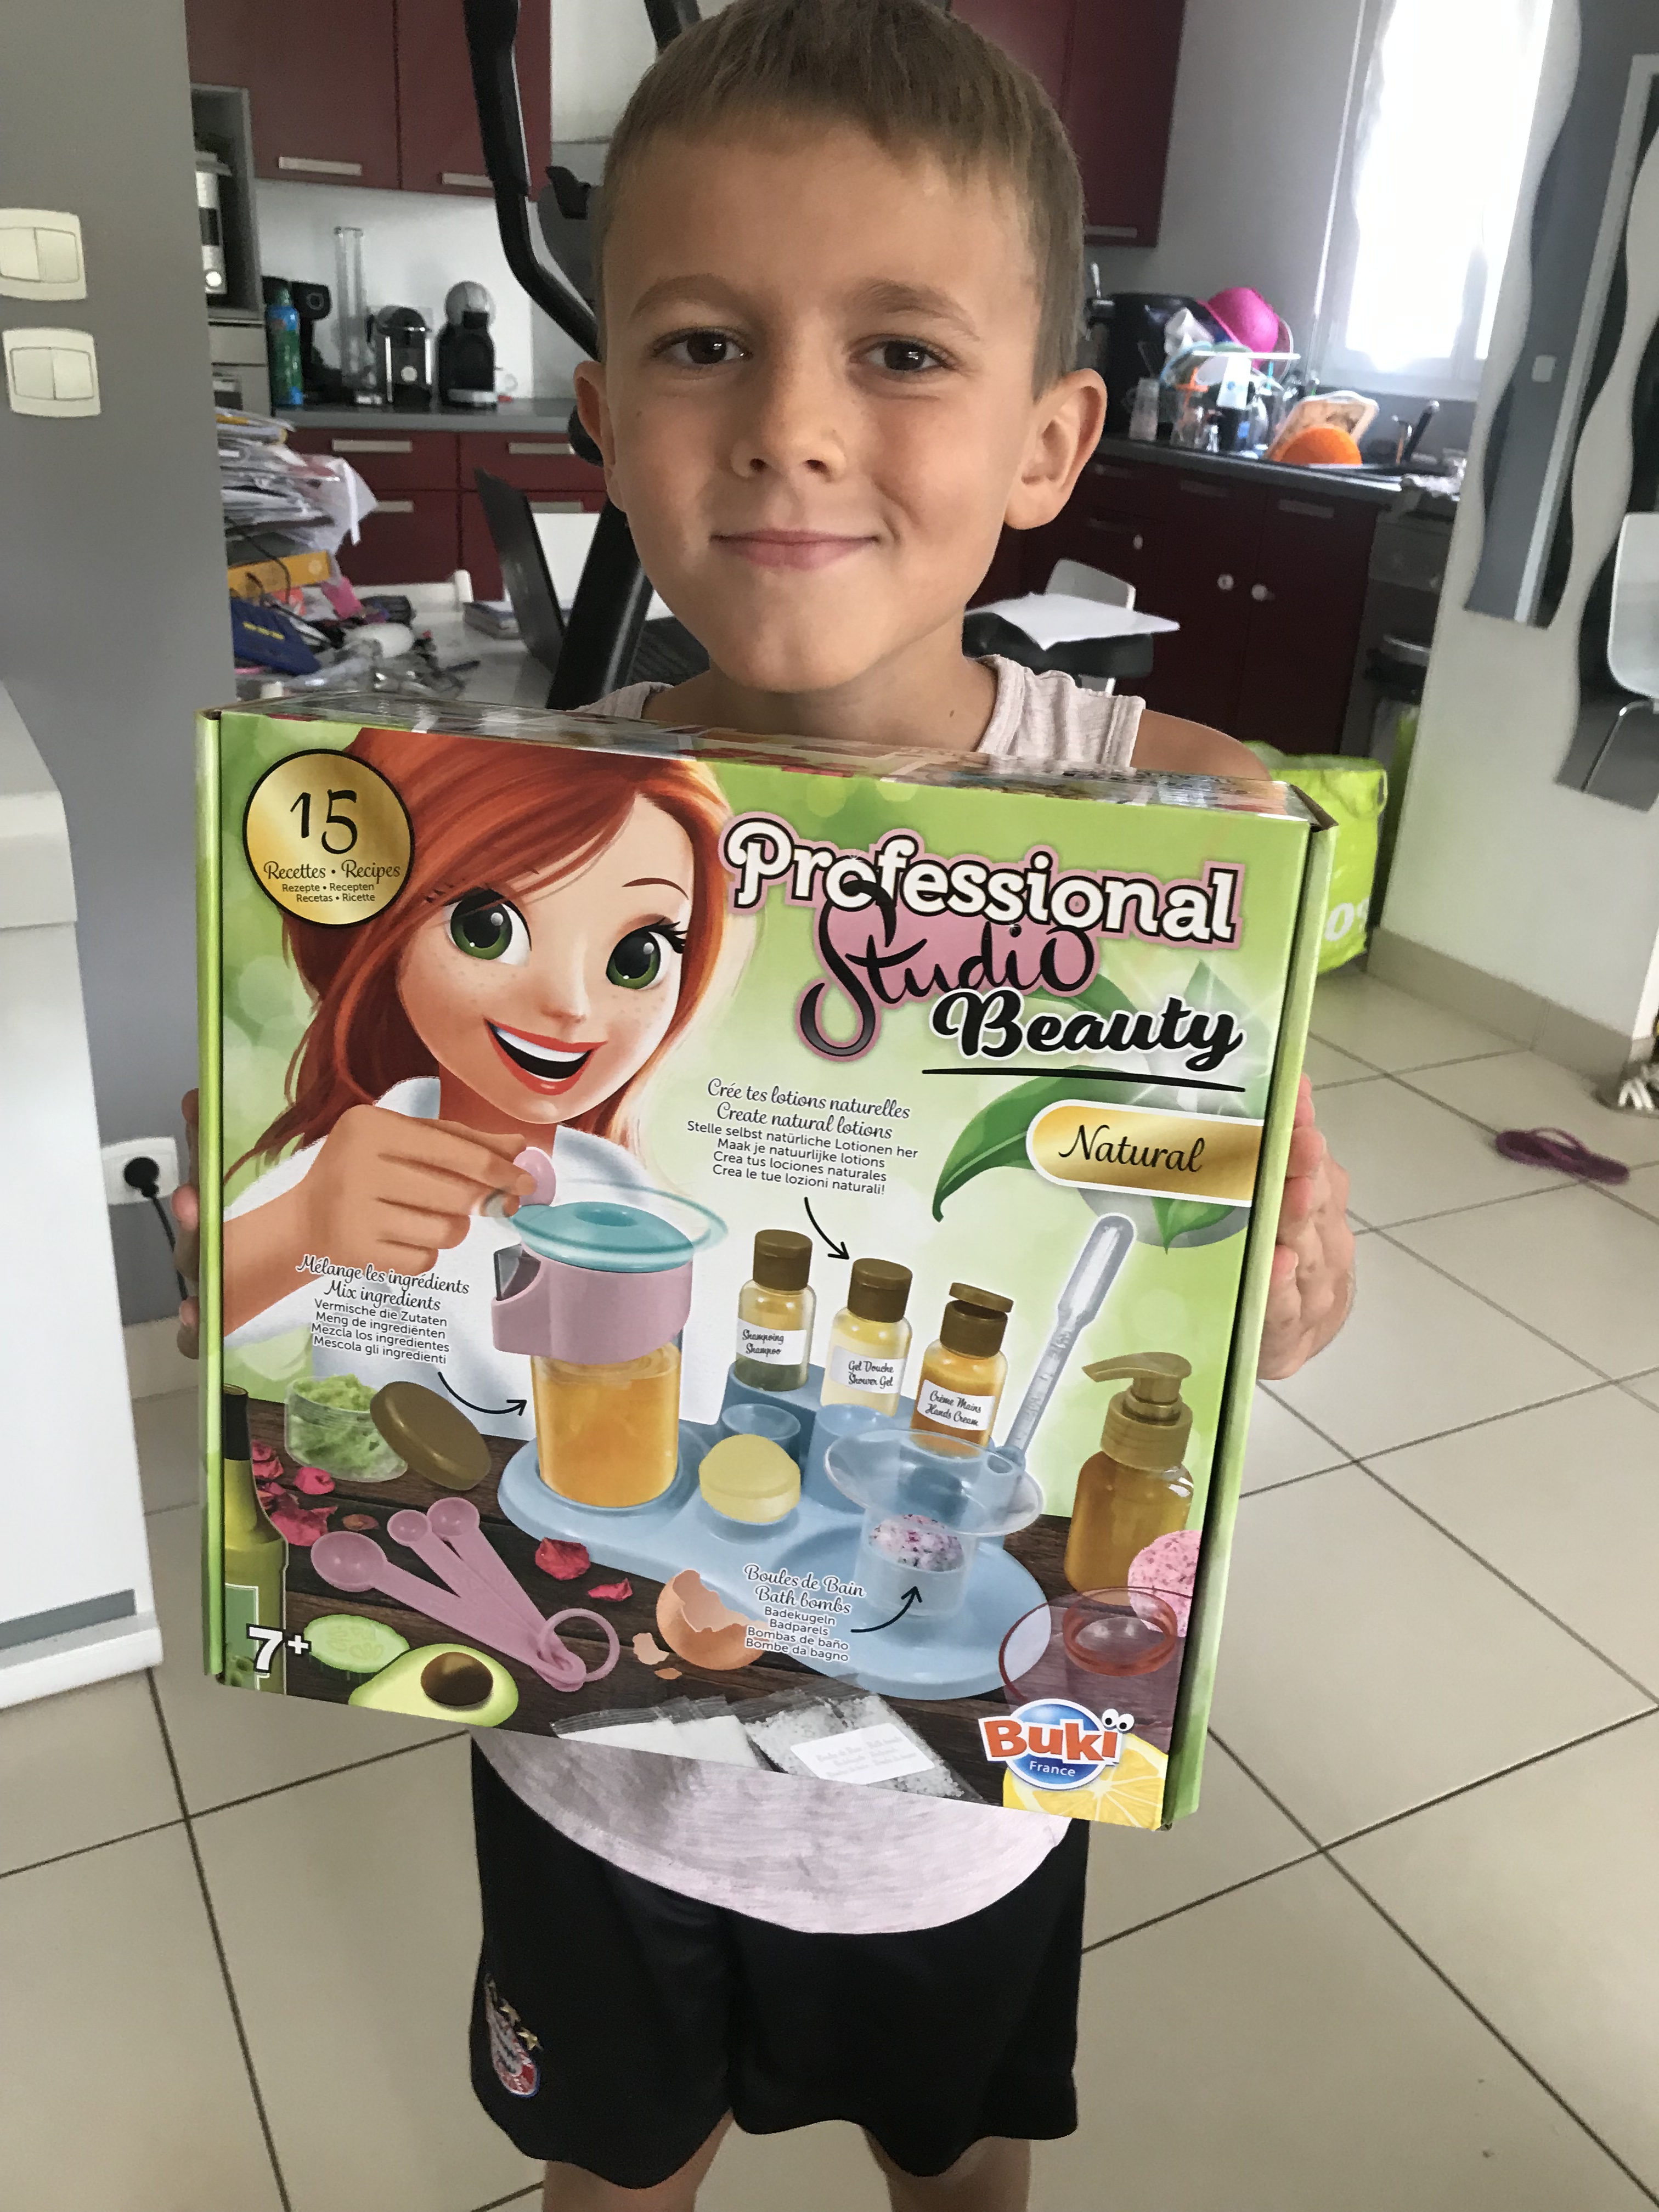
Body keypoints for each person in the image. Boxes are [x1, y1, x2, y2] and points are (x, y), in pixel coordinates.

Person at [174, 5, 1353, 2206]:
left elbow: (1230, 1276)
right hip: (598, 1783)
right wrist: (276, 1236)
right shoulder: (537, 837)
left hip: (954, 1822)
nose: (795, 429)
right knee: (615, 2176)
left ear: (1049, 439)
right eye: (707, 346)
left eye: (901, 352)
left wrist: (1271, 1265)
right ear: (607, 424)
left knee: (957, 2166)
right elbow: (279, 1302)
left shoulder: (1189, 835)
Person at [219, 732, 735, 1431]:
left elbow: (693, 1406)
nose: (570, 1004)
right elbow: (209, 1318)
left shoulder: (624, 1195)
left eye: (637, 957)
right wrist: (301, 1226)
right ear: (387, 932)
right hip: (388, 1487)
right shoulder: (365, 1162)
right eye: (486, 930)